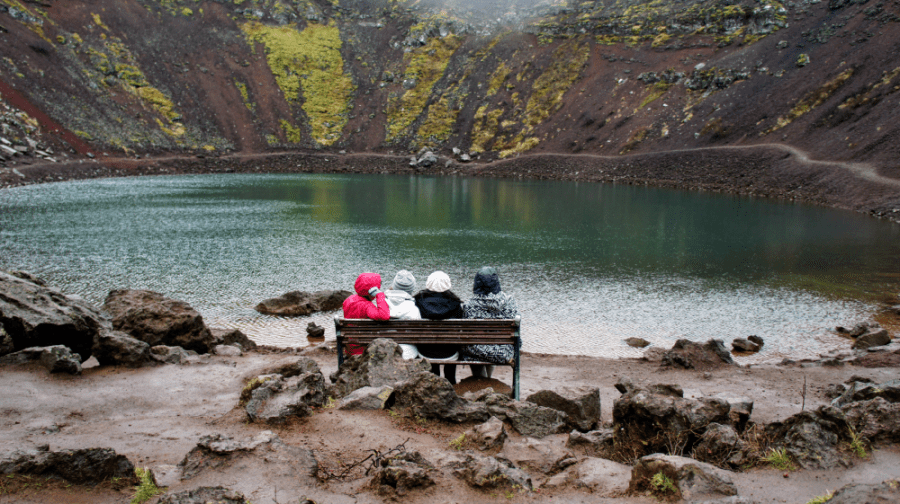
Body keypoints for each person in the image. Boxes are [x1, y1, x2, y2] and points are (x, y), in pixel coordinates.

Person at [461, 266, 518, 379]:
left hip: (476, 351)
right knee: (492, 344)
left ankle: (482, 380)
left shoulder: (469, 305)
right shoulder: (510, 302)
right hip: (503, 351)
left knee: (472, 345)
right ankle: (488, 379)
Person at [414, 271, 463, 384]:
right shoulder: (456, 303)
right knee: (450, 347)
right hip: (450, 351)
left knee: (433, 365)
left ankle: (434, 384)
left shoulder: (418, 301)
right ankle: (451, 382)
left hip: (425, 351)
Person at [342, 272, 390, 356]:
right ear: (372, 291)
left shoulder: (348, 300)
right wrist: (380, 295)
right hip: (363, 349)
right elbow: (384, 315)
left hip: (349, 347)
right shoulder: (367, 306)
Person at [385, 269, 421, 360]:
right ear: (411, 288)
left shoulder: (382, 305)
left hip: (384, 350)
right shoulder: (414, 309)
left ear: (394, 285)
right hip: (409, 353)